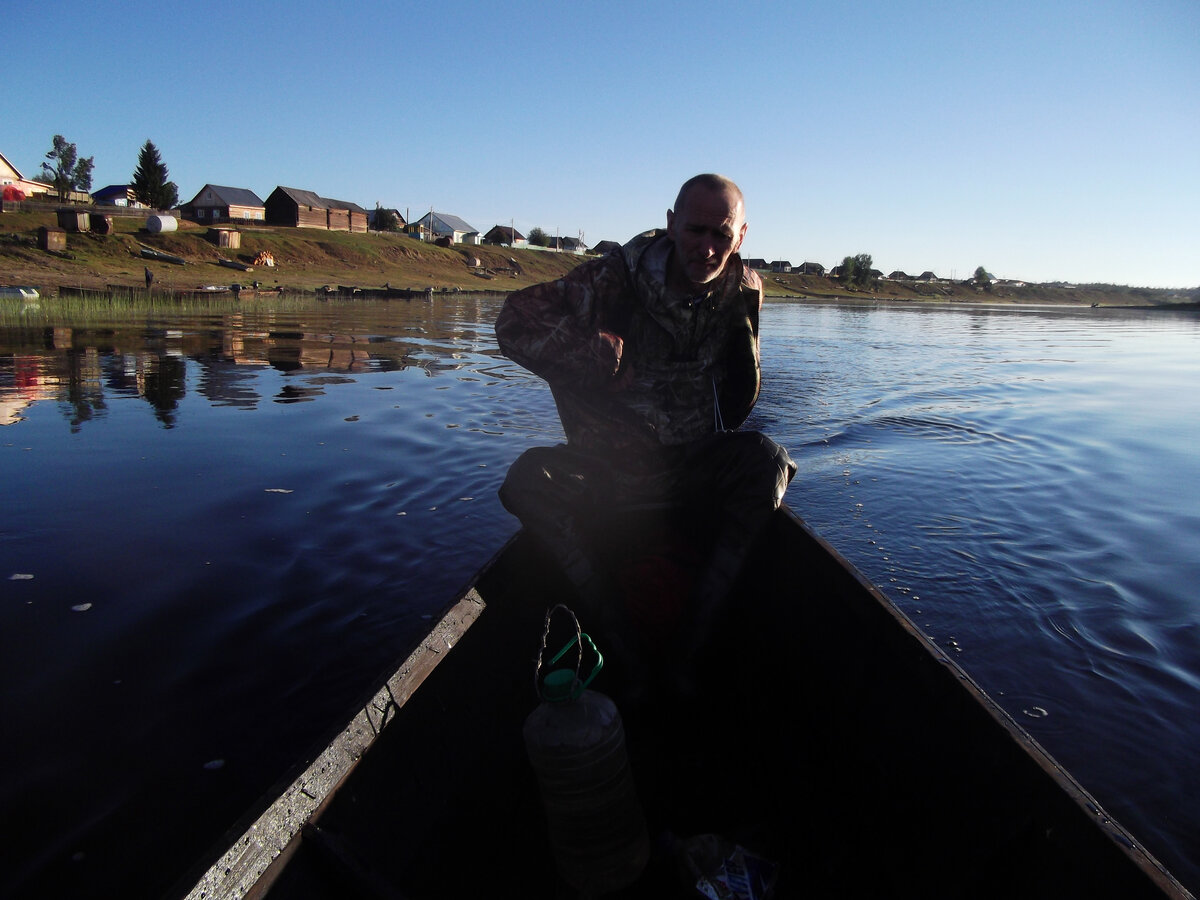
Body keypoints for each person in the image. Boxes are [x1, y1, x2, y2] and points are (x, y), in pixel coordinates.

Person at [496, 174, 795, 689]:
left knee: (767, 461)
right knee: (528, 478)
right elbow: (511, 323)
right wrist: (590, 354)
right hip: (607, 471)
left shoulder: (743, 291)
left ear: (741, 237)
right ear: (671, 224)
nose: (707, 248)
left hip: (689, 468)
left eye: (721, 236)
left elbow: (738, 391)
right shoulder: (610, 280)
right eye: (695, 230)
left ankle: (692, 643)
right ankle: (622, 647)